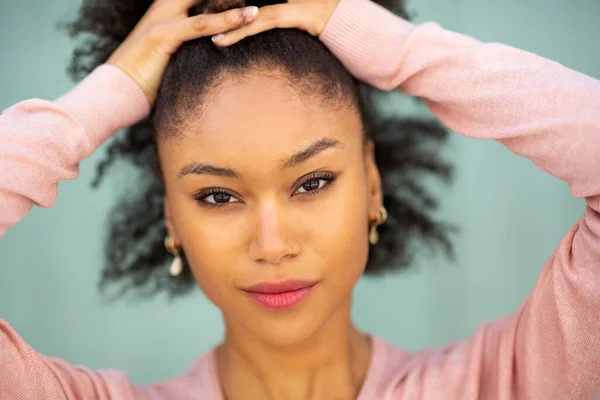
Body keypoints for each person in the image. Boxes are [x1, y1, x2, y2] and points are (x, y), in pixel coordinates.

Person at [1, 0, 599, 398]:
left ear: (372, 185)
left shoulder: (508, 382)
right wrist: (113, 88)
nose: (273, 243)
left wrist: (394, 49)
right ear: (170, 217)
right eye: (216, 195)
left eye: (312, 183)